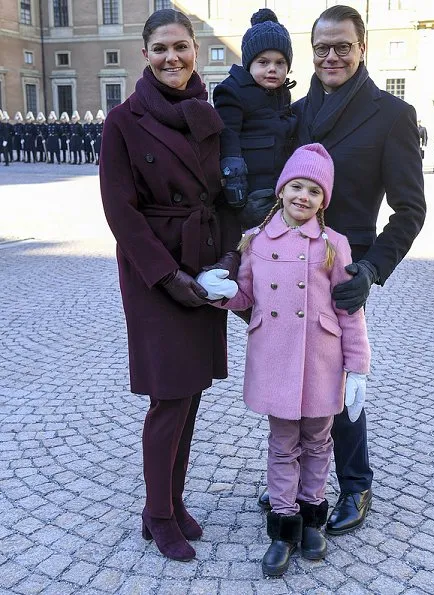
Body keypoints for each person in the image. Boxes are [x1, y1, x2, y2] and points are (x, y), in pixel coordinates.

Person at [258, 5, 426, 538]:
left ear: (363, 47)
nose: (331, 56)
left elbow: (410, 209)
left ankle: (355, 483)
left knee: (337, 377)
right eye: (322, 48)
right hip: (288, 261)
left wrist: (373, 267)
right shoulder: (299, 110)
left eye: (343, 47)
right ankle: (291, 484)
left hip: (343, 268)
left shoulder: (391, 114)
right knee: (290, 371)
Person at [99, 8, 241, 562]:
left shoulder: (208, 114)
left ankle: (172, 500)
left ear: (196, 50)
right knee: (169, 396)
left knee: (192, 393)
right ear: (144, 55)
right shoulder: (124, 120)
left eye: (180, 46)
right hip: (154, 272)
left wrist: (228, 257)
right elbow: (121, 211)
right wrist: (168, 276)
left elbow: (223, 193)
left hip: (204, 265)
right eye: (160, 48)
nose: (172, 58)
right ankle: (157, 513)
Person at [199, 144, 371, 577]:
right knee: (281, 445)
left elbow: (349, 310)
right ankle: (282, 527)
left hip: (321, 359)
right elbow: (246, 297)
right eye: (296, 186)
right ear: (281, 190)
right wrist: (219, 292)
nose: (303, 196)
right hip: (275, 357)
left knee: (318, 443)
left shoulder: (335, 244)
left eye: (314, 191)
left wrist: (357, 368)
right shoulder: (255, 240)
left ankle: (312, 518)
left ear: (323, 200)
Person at [213, 8, 297, 231]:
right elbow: (228, 140)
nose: (272, 69)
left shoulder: (282, 92)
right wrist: (235, 191)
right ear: (249, 63)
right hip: (250, 190)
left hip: (277, 186)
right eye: (263, 62)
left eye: (280, 63)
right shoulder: (232, 91)